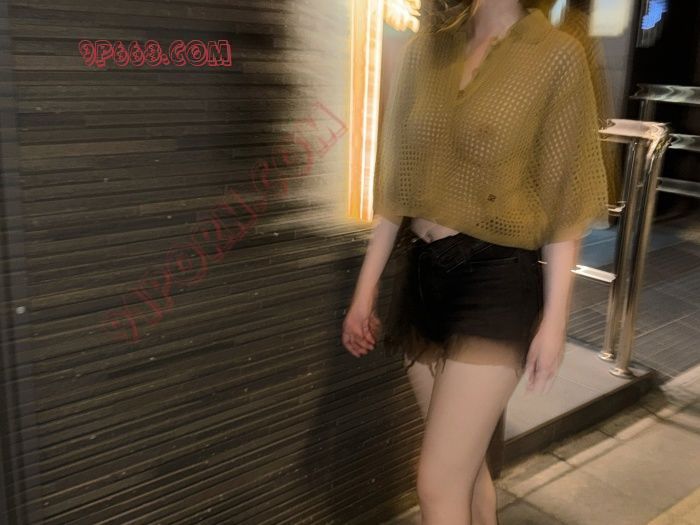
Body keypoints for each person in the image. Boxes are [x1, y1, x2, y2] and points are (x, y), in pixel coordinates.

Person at [341, 1, 611, 523]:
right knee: (466, 473)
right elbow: (396, 183)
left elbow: (564, 202)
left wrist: (554, 322)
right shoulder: (426, 51)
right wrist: (365, 287)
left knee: (436, 484)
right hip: (423, 274)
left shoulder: (555, 56)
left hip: (495, 280)